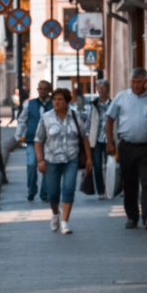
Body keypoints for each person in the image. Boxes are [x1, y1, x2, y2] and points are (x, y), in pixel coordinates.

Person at [105, 67, 147, 229]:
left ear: (146, 82)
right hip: (126, 146)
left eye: (139, 82)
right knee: (130, 183)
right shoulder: (122, 97)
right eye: (133, 81)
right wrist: (109, 142)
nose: (135, 85)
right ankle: (132, 217)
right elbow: (109, 119)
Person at [35, 88, 92, 234]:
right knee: (53, 193)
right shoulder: (46, 117)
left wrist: (89, 158)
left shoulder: (75, 116)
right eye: (54, 99)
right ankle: (55, 213)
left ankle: (65, 222)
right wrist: (40, 160)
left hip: (71, 159)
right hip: (51, 160)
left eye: (60, 99)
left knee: (68, 189)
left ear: (67, 101)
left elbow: (84, 137)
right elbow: (38, 140)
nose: (56, 102)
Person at [18, 80, 53, 201]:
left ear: (49, 90)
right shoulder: (30, 104)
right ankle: (31, 190)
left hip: (49, 141)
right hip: (32, 140)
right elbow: (22, 119)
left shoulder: (54, 104)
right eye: (40, 89)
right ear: (38, 90)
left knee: (46, 167)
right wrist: (19, 135)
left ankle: (45, 193)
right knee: (32, 164)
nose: (42, 91)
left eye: (45, 89)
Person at [86, 79, 113, 199]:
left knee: (110, 166)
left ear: (108, 90)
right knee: (97, 166)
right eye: (99, 88)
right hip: (95, 140)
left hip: (109, 140)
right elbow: (88, 121)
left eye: (103, 88)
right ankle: (101, 191)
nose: (101, 91)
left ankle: (110, 189)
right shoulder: (93, 105)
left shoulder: (113, 104)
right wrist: (87, 135)